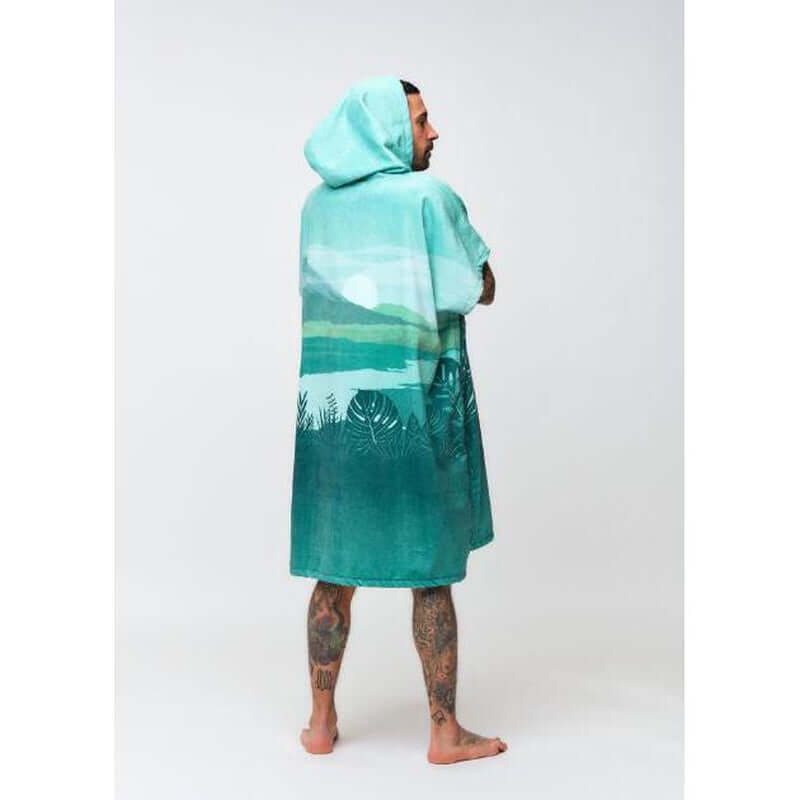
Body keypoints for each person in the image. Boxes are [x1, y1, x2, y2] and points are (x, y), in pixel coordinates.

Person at [290, 75, 505, 764]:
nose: (433, 132)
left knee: (334, 568)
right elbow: (480, 288)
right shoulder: (427, 197)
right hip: (412, 406)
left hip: (331, 417)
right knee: (429, 570)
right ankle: (444, 731)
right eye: (419, 121)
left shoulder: (315, 206)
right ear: (386, 131)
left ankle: (320, 725)